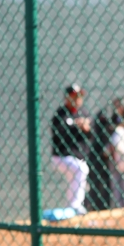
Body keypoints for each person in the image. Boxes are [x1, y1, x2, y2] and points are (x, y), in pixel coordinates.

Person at [50, 84, 92, 215]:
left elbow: (91, 135)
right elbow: (59, 133)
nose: (78, 99)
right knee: (80, 170)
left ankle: (71, 209)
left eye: (79, 96)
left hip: (79, 157)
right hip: (62, 157)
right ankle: (75, 207)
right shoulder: (60, 114)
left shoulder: (83, 112)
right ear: (67, 98)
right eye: (74, 96)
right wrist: (76, 126)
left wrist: (86, 129)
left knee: (75, 179)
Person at [84, 109, 115, 211]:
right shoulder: (97, 128)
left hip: (104, 159)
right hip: (95, 158)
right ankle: (95, 206)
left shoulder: (108, 128)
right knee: (95, 183)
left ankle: (104, 206)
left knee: (105, 183)